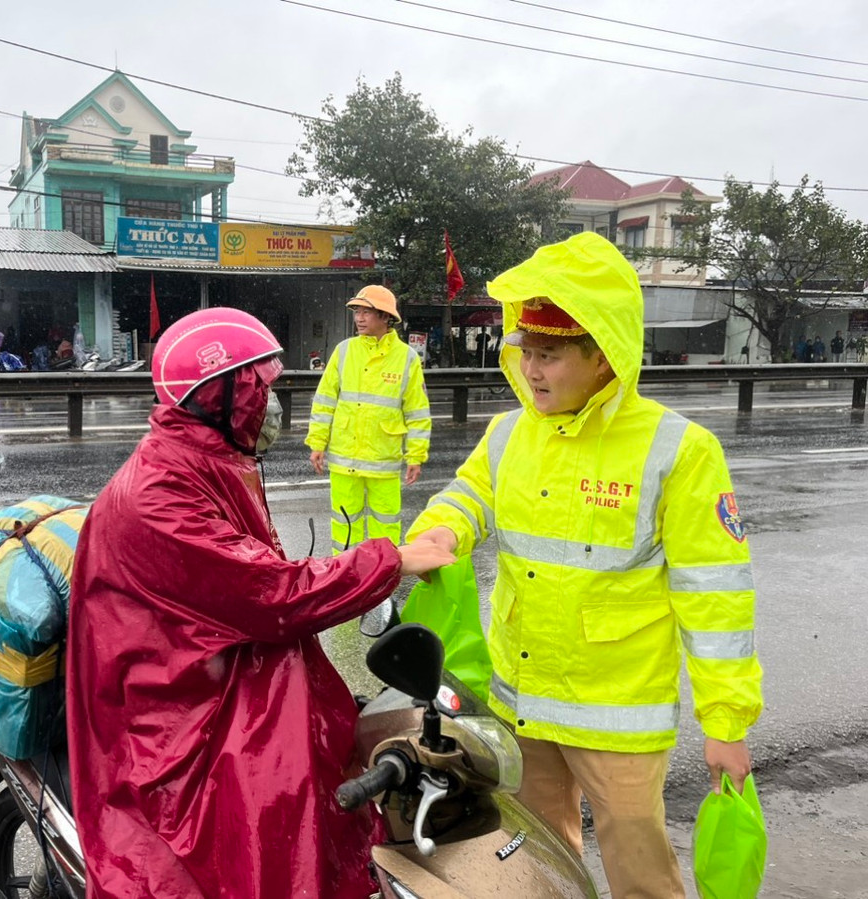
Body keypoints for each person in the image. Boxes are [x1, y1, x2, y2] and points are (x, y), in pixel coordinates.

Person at [406, 232, 763, 899]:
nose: (532, 370)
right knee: (539, 863)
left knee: (639, 873)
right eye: (526, 352)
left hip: (616, 716)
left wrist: (726, 723)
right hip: (523, 702)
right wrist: (439, 532)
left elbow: (715, 597)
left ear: (603, 354)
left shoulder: (679, 450)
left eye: (551, 355)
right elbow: (468, 494)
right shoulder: (510, 431)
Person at [65, 307, 454, 899]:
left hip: (203, 654)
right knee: (269, 801)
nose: (271, 405)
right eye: (259, 389)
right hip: (167, 695)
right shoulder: (161, 492)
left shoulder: (211, 459)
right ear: (217, 396)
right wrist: (390, 561)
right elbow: (271, 593)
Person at [305, 285, 431, 554]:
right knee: (344, 523)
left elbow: (417, 412)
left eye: (366, 312)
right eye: (357, 312)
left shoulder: (407, 358)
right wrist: (317, 443)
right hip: (343, 457)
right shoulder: (344, 351)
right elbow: (325, 400)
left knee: (385, 525)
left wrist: (416, 455)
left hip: (383, 459)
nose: (359, 318)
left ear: (386, 317)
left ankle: (382, 580)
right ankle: (344, 576)